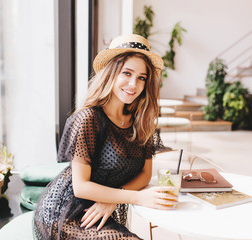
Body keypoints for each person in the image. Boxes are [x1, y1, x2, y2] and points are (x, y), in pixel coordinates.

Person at [33, 34, 178, 240]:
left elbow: (145, 175)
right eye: (126, 73)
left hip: (101, 207)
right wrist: (136, 197)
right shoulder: (89, 119)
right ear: (111, 73)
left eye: (141, 78)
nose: (133, 84)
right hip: (67, 212)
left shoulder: (141, 121)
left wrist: (114, 198)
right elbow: (81, 186)